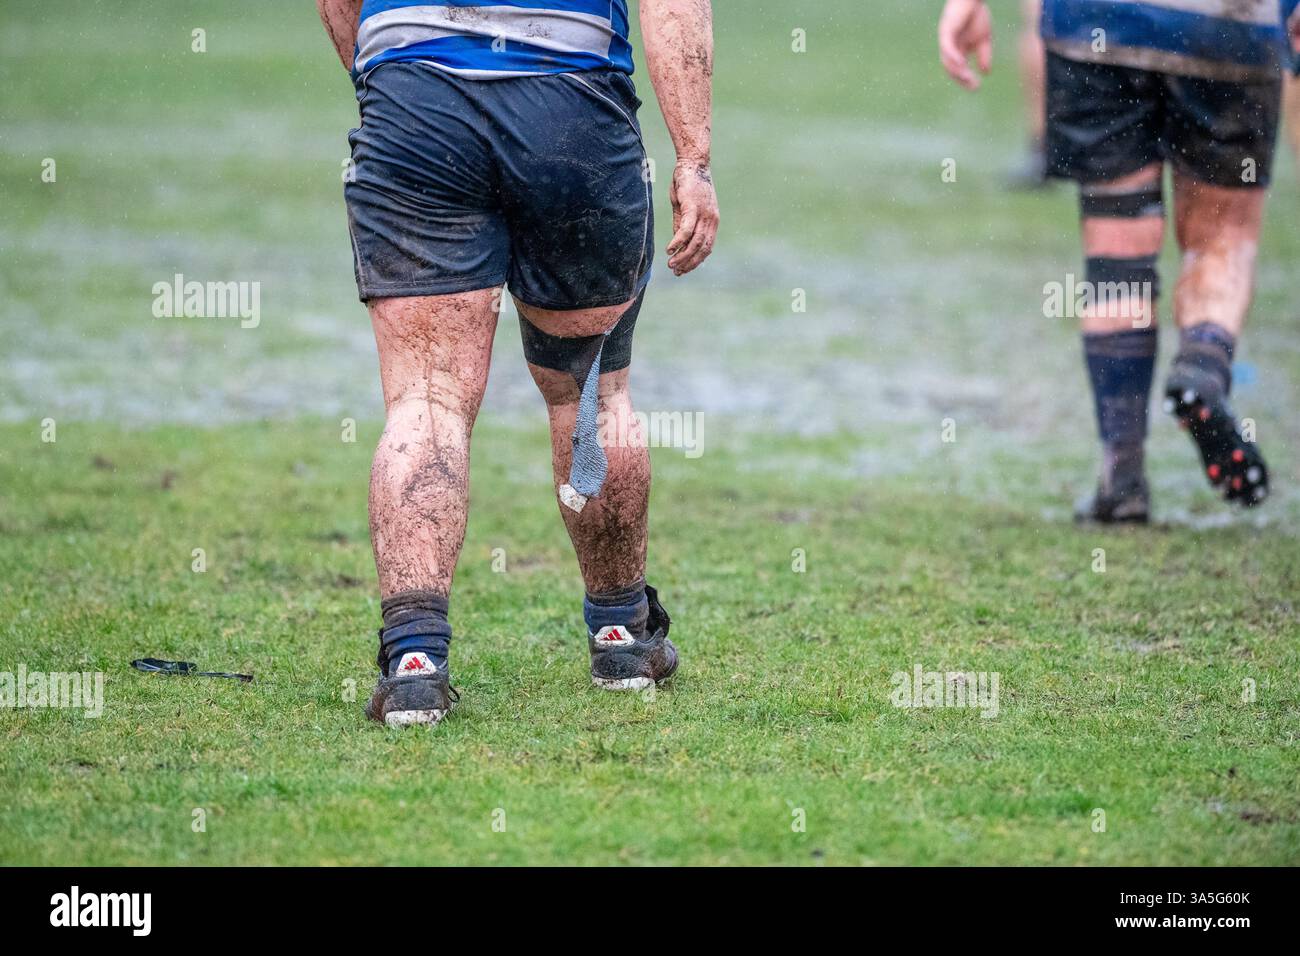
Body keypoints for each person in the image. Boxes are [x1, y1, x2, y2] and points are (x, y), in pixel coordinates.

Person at [314, 0, 719, 726]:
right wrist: (693, 160)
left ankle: (414, 663)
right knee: (592, 394)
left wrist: (390, 86)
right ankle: (622, 635)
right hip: (572, 107)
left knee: (426, 398)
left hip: (416, 101)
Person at [939, 0, 1300, 522]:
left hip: (1098, 24)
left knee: (1117, 252)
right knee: (1222, 235)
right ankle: (1202, 365)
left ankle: (1122, 476)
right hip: (1229, 23)